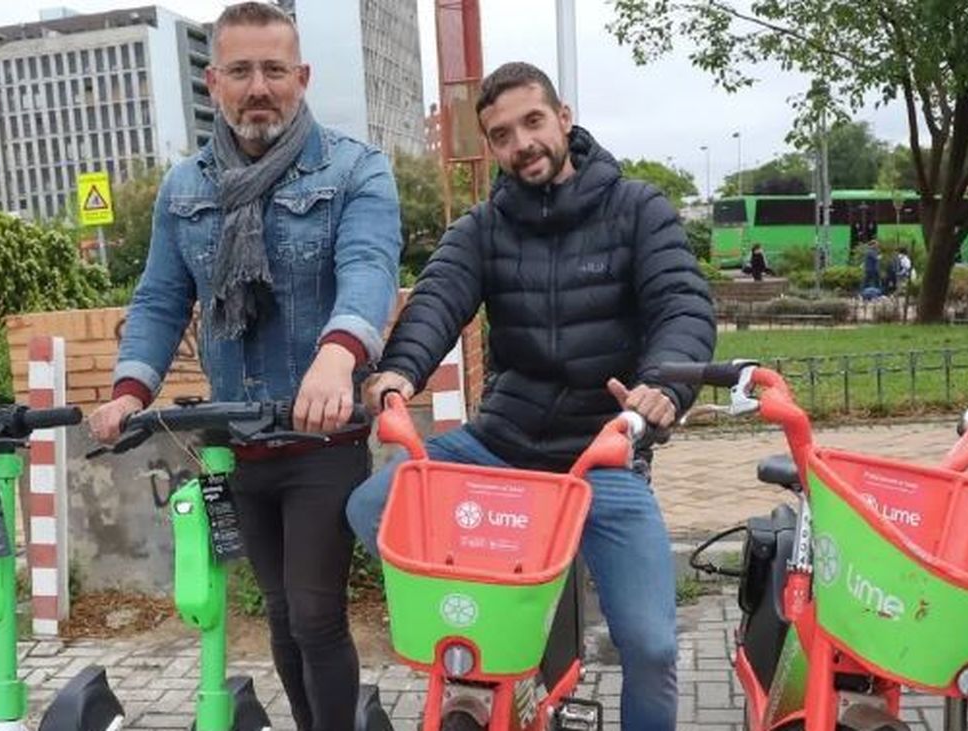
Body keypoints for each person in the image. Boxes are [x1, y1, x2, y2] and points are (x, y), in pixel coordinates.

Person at [346, 62, 716, 730]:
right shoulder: (483, 229)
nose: (522, 142)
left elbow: (681, 304)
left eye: (533, 122)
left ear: (564, 119)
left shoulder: (638, 209)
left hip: (603, 458)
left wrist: (666, 383)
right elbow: (436, 301)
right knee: (373, 504)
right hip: (502, 449)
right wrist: (400, 371)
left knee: (654, 646)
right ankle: (494, 653)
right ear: (492, 148)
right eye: (502, 133)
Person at [86, 4, 402, 729]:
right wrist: (131, 390)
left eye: (274, 70)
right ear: (214, 81)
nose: (259, 87)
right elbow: (161, 298)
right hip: (235, 440)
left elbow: (368, 269)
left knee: (319, 613)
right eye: (242, 70)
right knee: (284, 614)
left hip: (322, 436)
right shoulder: (184, 188)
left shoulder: (357, 169)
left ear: (302, 77)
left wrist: (336, 357)